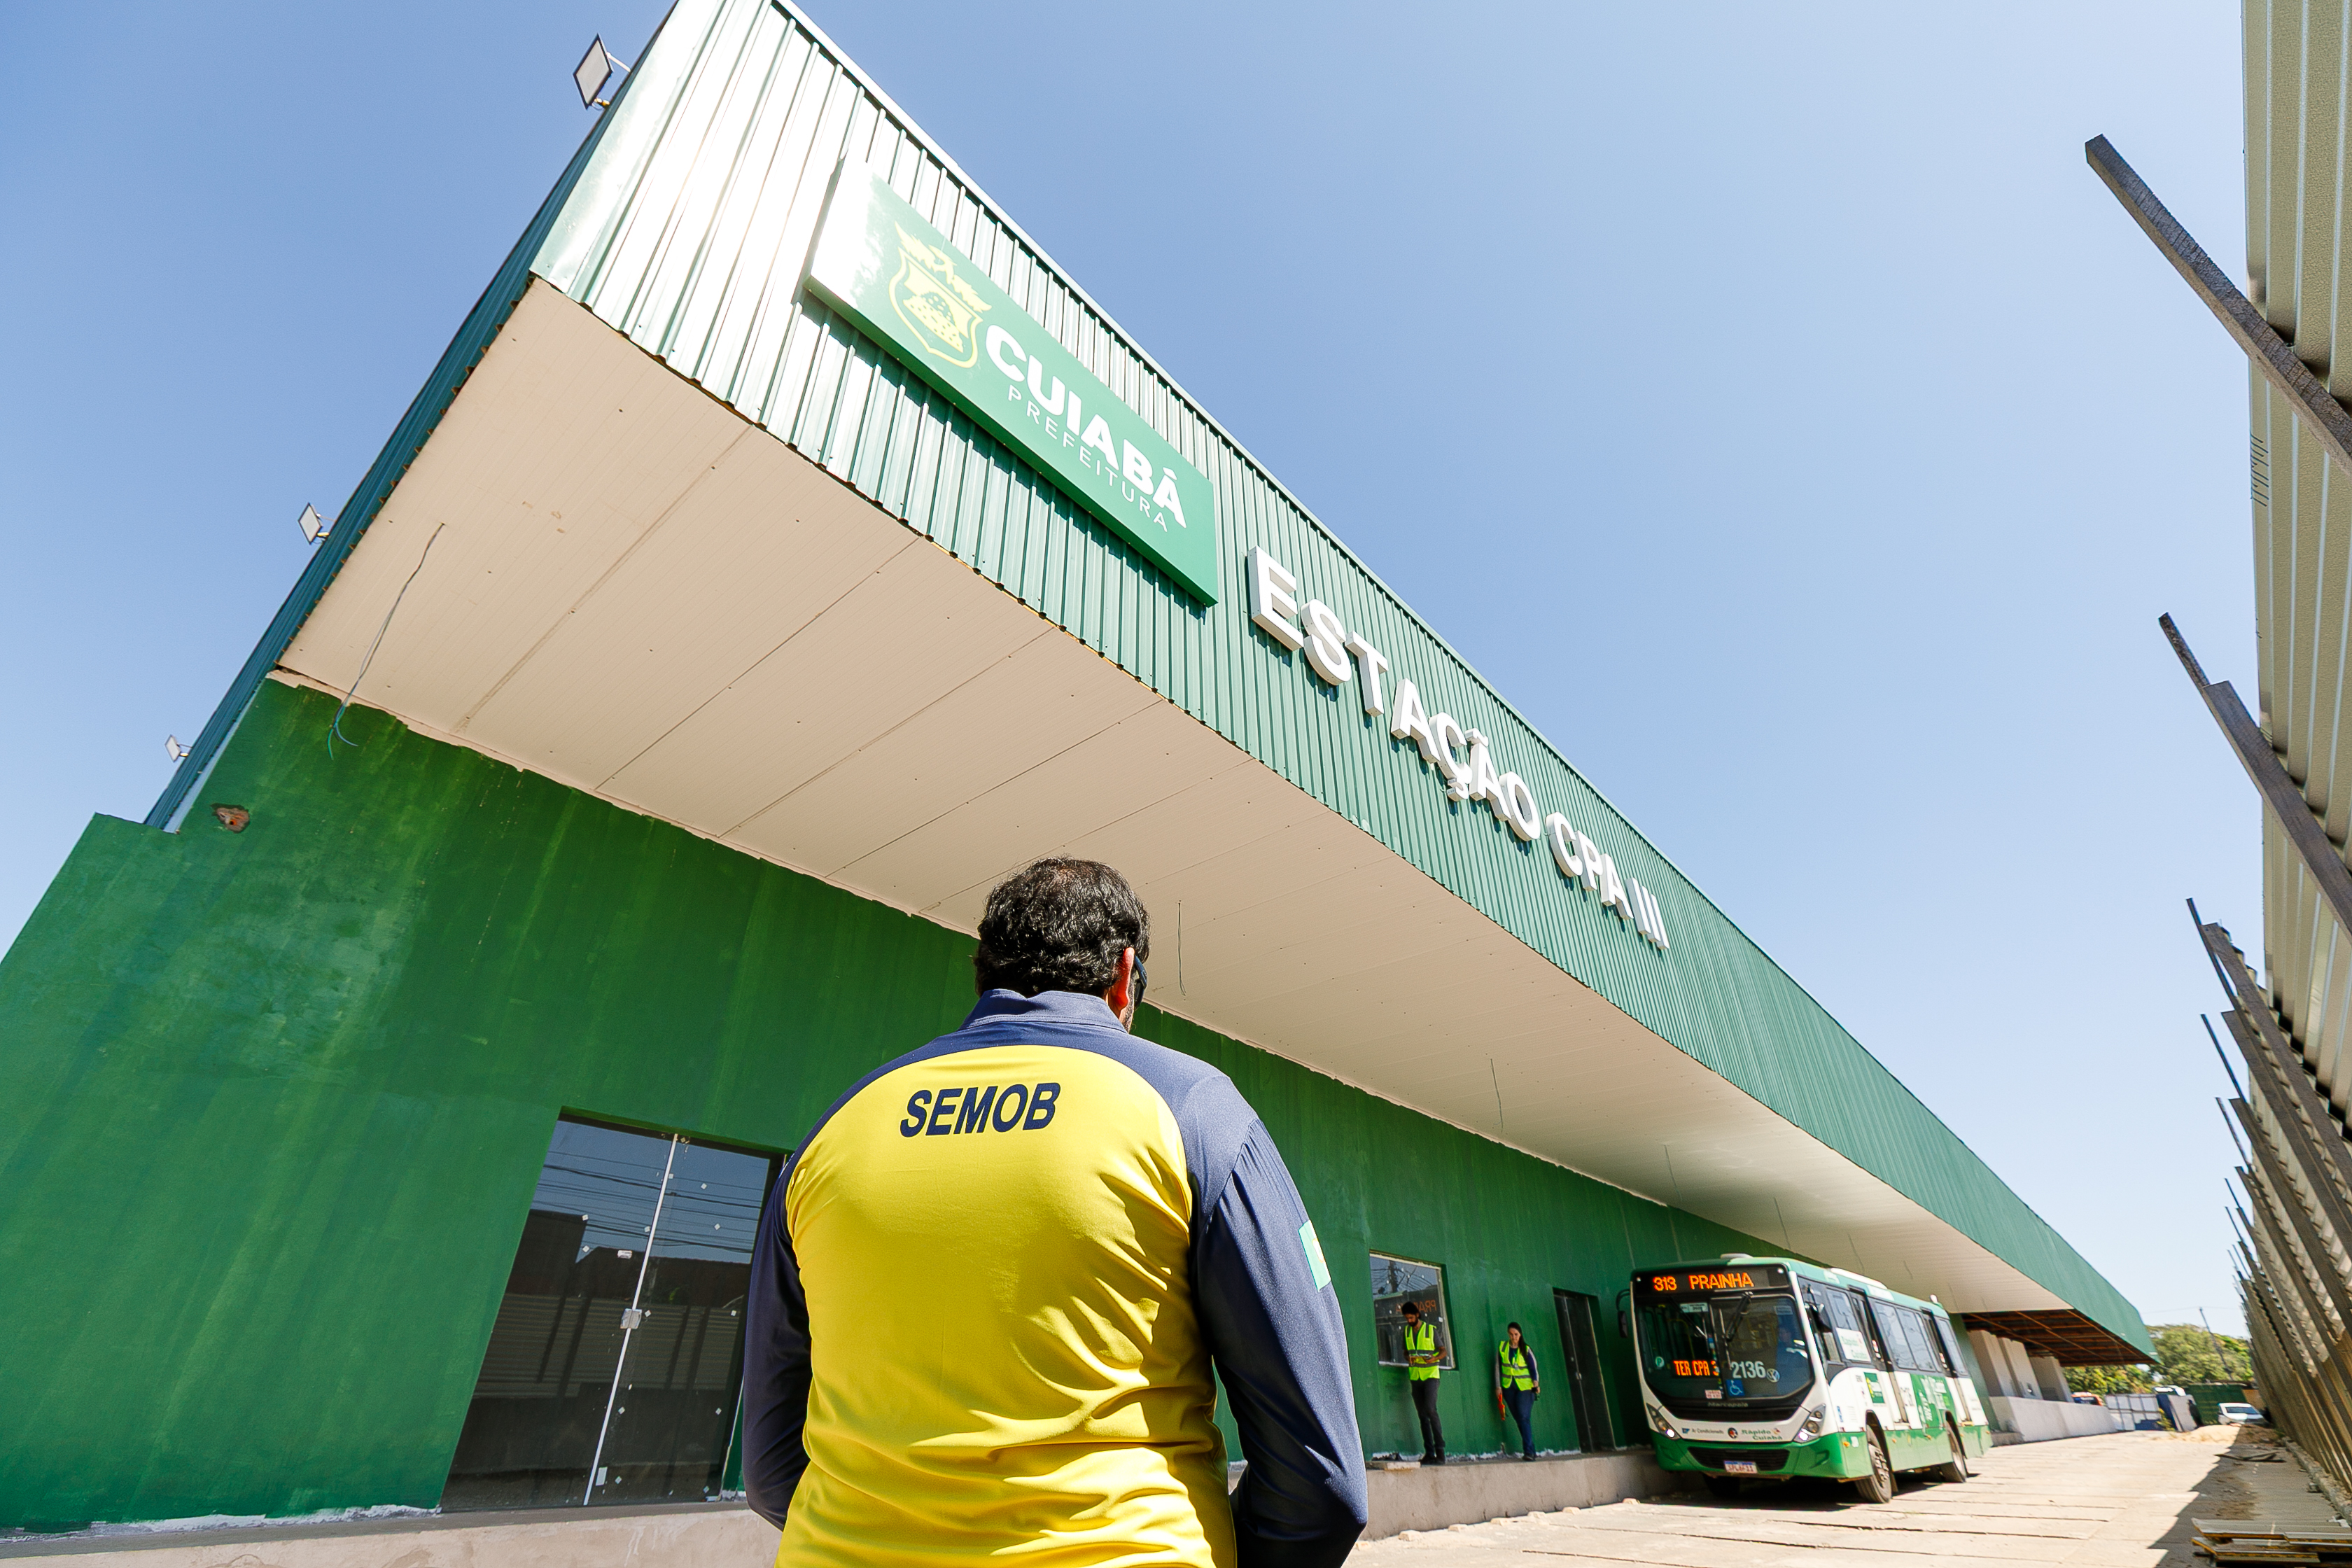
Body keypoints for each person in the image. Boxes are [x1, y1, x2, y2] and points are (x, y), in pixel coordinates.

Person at [743, 857, 1367, 1568]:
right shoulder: (1195, 1110)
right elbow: (1322, 1477)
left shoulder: (835, 1130)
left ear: (985, 974)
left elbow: (768, 1463)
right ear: (1125, 977)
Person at [1402, 1300, 1446, 1464]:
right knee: (1422, 1415)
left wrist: (1434, 1358)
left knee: (1430, 1410)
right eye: (1407, 1318)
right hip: (1415, 1376)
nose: (1409, 1320)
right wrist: (1409, 1358)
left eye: (1411, 1317)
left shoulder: (1430, 1330)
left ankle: (1440, 1451)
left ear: (1417, 1315)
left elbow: (1443, 1351)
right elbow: (1405, 1352)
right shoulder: (1406, 1332)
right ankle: (1430, 1453)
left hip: (1431, 1375)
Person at [1495, 1322, 1540, 1460]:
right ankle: (1531, 1450)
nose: (1513, 1337)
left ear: (1520, 1335)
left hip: (1524, 1387)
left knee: (1523, 1416)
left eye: (1516, 1334)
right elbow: (1497, 1367)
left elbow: (1533, 1368)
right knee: (1519, 1419)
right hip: (1509, 1387)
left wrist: (1535, 1383)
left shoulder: (1526, 1349)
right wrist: (1498, 1386)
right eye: (1511, 1334)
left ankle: (1528, 1451)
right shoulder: (1503, 1347)